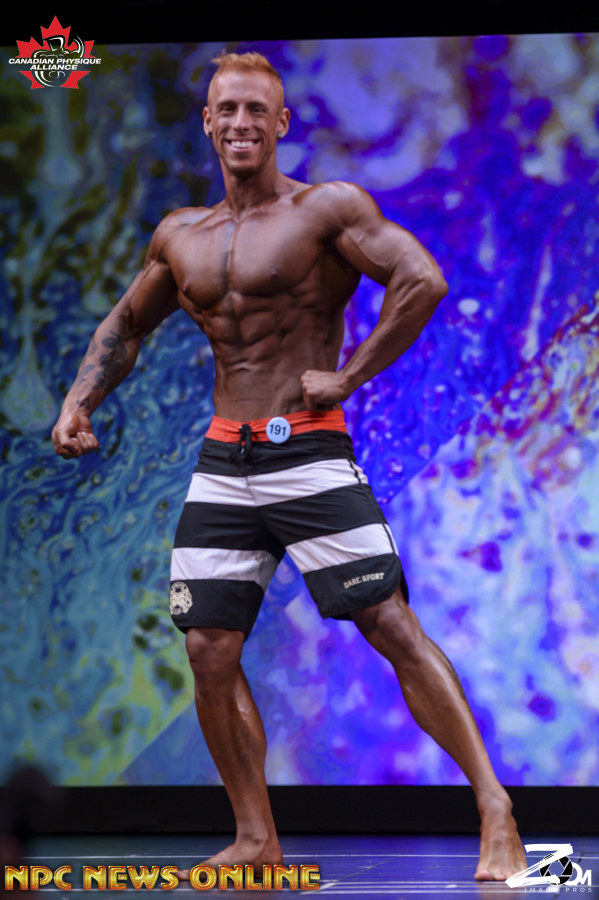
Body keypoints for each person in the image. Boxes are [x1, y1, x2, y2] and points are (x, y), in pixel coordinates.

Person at [52, 51, 527, 882]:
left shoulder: (325, 209)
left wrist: (348, 377)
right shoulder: (181, 235)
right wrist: (77, 402)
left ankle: (494, 807)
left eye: (255, 110)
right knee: (207, 647)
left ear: (280, 124)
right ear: (208, 122)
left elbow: (420, 278)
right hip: (222, 461)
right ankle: (255, 837)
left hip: (306, 450)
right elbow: (125, 326)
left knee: (388, 624)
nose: (240, 123)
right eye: (226, 109)